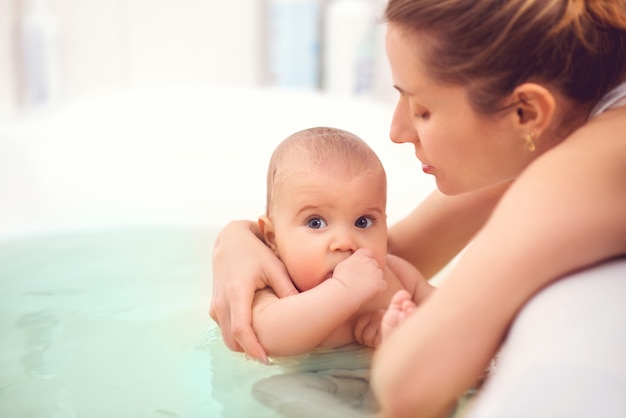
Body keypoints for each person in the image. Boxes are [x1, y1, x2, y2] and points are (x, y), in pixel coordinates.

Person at [210, 0, 626, 417]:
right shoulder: (569, 131)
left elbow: (411, 387)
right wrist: (241, 237)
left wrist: (400, 337)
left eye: (421, 109)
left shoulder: (585, 170)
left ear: (527, 112)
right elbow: (391, 258)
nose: (396, 132)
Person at [251, 126, 433, 357]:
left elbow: (455, 317)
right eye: (316, 222)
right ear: (272, 237)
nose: (346, 243)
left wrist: (407, 324)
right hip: (310, 384)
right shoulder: (274, 287)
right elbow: (267, 339)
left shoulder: (398, 276)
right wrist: (345, 290)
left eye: (363, 222)